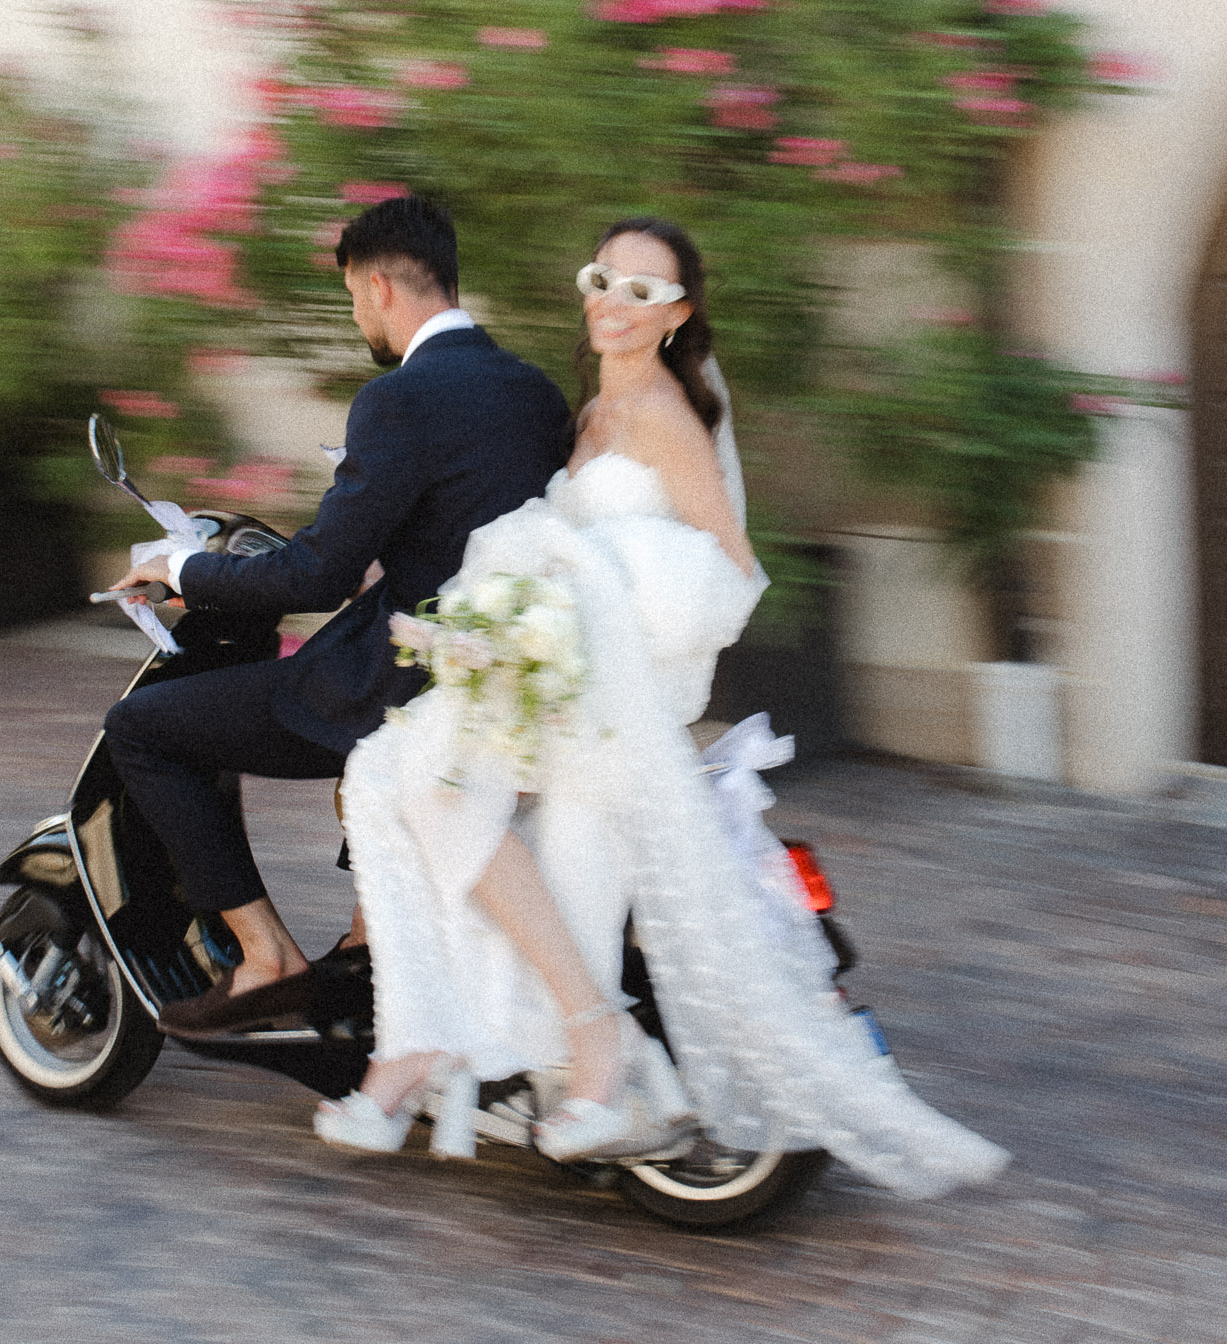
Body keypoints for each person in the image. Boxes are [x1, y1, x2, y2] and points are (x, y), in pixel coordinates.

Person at [320, 218, 1009, 1200]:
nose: (615, 302)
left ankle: (572, 1059)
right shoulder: (596, 412)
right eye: (603, 278)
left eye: (643, 291)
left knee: (444, 796)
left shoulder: (663, 417)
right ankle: (443, 1042)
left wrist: (587, 598)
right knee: (397, 776)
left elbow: (732, 573)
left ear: (676, 314)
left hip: (611, 703)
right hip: (562, 691)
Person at [101, 196, 573, 1035]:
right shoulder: (533, 392)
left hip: (400, 677)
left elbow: (318, 575)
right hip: (496, 680)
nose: (358, 316)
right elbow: (472, 530)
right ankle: (367, 944)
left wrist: (184, 569)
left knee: (142, 726)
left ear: (379, 286)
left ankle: (265, 958)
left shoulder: (400, 397)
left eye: (354, 297)